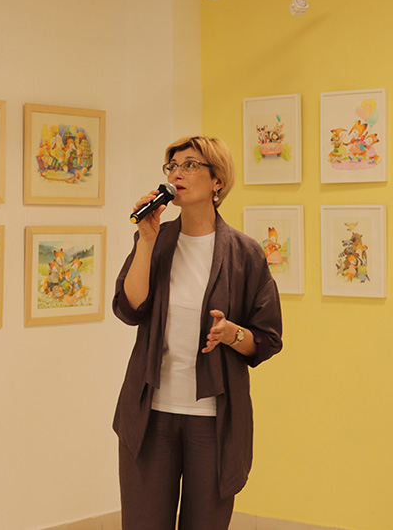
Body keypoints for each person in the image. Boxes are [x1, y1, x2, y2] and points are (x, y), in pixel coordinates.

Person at [112, 136, 283, 529]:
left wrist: (231, 333)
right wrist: (146, 240)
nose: (178, 173)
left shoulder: (244, 253)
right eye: (172, 166)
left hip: (213, 420)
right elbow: (129, 308)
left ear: (217, 180)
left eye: (190, 165)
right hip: (150, 415)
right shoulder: (156, 240)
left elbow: (267, 339)